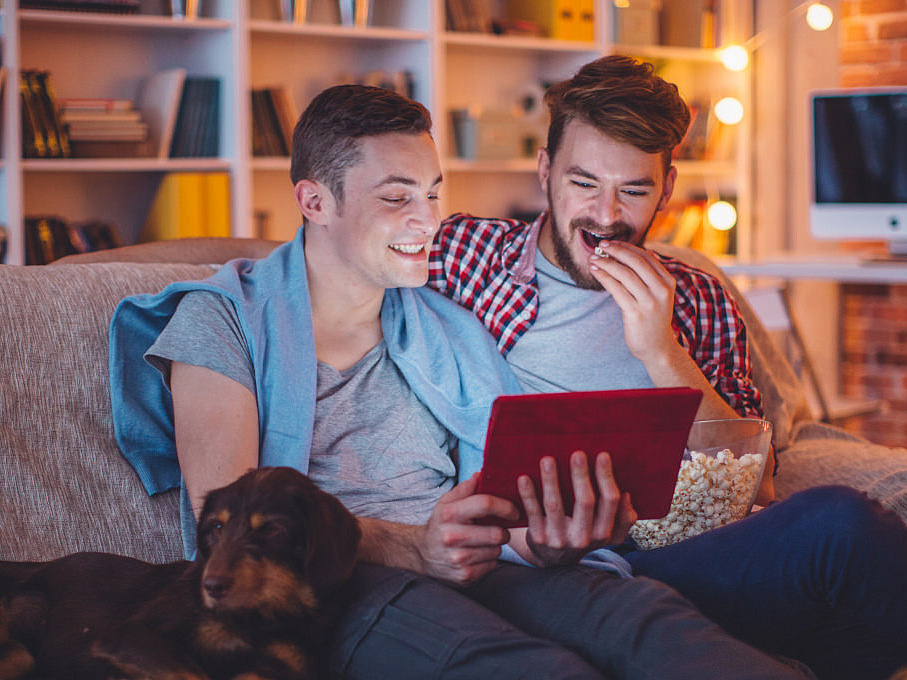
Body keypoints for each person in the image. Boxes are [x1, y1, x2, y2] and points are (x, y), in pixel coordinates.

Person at [108, 84, 810, 680]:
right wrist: (416, 545)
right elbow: (226, 529)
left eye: (432, 192)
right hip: (347, 580)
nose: (427, 222)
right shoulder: (218, 322)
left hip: (485, 562)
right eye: (396, 197)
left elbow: (501, 478)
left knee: (650, 621)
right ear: (315, 203)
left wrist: (543, 538)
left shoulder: (442, 322)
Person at [428, 55, 907, 680]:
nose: (605, 217)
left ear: (668, 189)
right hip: (543, 572)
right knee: (843, 534)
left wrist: (662, 350)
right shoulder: (468, 254)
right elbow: (340, 255)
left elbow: (757, 486)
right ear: (545, 172)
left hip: (675, 560)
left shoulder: (698, 297)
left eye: (633, 190)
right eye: (583, 183)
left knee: (846, 543)